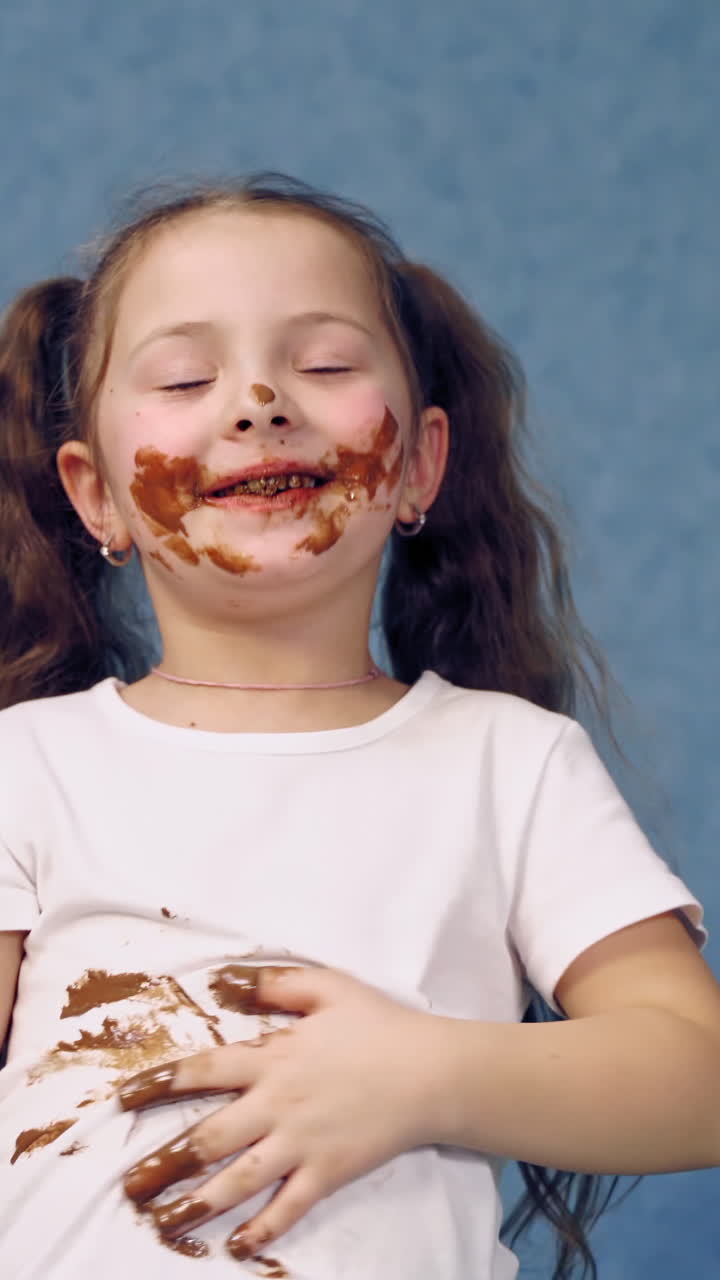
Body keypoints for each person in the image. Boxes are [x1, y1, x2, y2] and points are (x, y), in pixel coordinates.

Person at [0, 174, 717, 1280]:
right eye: (187, 375)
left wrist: (423, 1075)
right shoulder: (30, 765)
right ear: (97, 498)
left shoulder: (506, 763)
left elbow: (696, 1073)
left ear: (422, 462)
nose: (256, 398)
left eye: (324, 363)